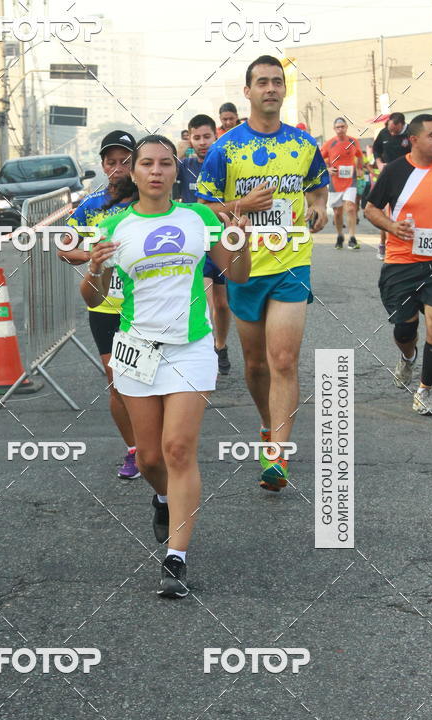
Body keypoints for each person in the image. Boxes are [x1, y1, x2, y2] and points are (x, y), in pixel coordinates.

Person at [80, 135, 251, 597]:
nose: (156, 171)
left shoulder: (197, 218)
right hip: (136, 346)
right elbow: (94, 298)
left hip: (191, 347)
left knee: (178, 450)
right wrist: (95, 268)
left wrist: (241, 242)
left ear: (177, 172)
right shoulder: (114, 226)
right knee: (151, 457)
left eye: (165, 164)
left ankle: (176, 558)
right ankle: (161, 497)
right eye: (147, 164)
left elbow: (236, 274)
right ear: (132, 174)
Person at [197, 54, 329, 491]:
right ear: (248, 91)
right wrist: (241, 207)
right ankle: (267, 424)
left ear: (283, 90)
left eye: (277, 82)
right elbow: (203, 207)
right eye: (263, 82)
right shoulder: (226, 148)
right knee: (255, 364)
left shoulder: (303, 145)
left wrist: (318, 208)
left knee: (284, 360)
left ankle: (278, 456)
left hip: (292, 262)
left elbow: (317, 187)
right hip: (243, 266)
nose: (271, 88)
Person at [59, 130, 140, 479]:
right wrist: (93, 256)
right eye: (112, 161)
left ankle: (161, 442)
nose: (118, 166)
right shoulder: (92, 206)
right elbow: (65, 247)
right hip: (106, 307)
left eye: (125, 160)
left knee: (153, 381)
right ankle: (135, 450)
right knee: (118, 382)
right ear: (104, 166)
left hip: (149, 307)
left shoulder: (151, 199)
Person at [365, 114, 432, 415]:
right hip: (401, 262)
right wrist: (391, 226)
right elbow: (371, 208)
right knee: (405, 329)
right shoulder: (395, 171)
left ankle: (424, 391)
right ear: (413, 140)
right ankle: (408, 357)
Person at [176, 114, 232, 374]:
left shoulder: (224, 164)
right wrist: (180, 146)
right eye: (196, 137)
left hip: (221, 242)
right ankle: (206, 351)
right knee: (206, 301)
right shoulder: (183, 165)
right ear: (189, 138)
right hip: (194, 246)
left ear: (215, 136)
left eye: (206, 137)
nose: (201, 142)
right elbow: (168, 161)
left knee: (222, 304)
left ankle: (221, 345)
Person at [320, 117, 364, 250]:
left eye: (342, 126)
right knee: (338, 212)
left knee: (350, 208)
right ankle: (340, 235)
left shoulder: (353, 141)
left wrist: (360, 168)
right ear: (334, 129)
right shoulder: (329, 143)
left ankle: (352, 237)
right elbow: (319, 159)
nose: (340, 129)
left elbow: (359, 155)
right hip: (335, 181)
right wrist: (327, 169)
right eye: (338, 127)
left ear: (346, 127)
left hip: (351, 180)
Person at [373, 113, 411, 259]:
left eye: (394, 130)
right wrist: (378, 162)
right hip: (387, 176)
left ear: (402, 124)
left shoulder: (411, 134)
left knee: (402, 211)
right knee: (384, 211)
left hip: (407, 177)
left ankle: (404, 243)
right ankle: (383, 244)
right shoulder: (384, 133)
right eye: (389, 129)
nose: (391, 132)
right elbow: (376, 148)